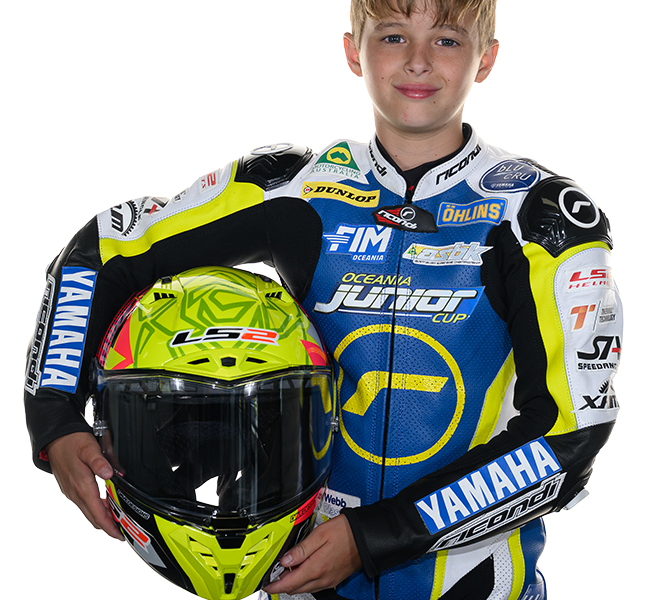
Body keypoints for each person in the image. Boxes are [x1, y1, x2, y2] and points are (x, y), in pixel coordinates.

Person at [22, 1, 623, 599]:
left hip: (477, 584)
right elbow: (102, 249)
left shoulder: (541, 216)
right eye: (392, 37)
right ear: (352, 52)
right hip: (300, 576)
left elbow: (571, 437)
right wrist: (54, 414)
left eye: (446, 40)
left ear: (486, 59)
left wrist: (374, 537)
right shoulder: (295, 186)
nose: (417, 61)